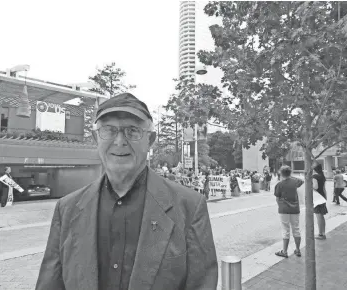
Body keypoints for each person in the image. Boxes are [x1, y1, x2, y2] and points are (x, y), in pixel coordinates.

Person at [36, 93, 218, 290]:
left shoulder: (189, 207)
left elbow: (202, 284)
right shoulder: (67, 209)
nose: (120, 141)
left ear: (150, 140)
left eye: (132, 131)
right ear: (96, 138)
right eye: (109, 130)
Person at [274, 166, 304, 258]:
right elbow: (302, 181)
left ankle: (285, 251)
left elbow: (277, 198)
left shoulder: (279, 184)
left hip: (284, 209)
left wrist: (280, 205)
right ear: (290, 173)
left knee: (285, 230)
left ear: (281, 174)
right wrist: (291, 176)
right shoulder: (295, 182)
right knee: (296, 229)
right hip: (295, 209)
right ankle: (298, 250)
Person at [313, 163, 328, 240]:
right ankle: (323, 233)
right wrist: (326, 197)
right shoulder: (322, 176)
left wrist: (309, 185)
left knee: (318, 216)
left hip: (317, 197)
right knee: (321, 216)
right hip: (322, 196)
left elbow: (315, 187)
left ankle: (320, 234)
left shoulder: (315, 176)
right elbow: (324, 188)